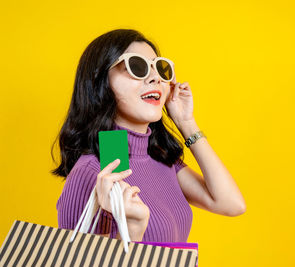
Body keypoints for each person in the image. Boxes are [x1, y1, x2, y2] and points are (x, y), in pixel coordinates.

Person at [51, 28, 246, 242]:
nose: (155, 78)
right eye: (137, 66)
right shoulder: (94, 172)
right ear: (102, 81)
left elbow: (231, 204)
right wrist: (132, 232)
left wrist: (186, 123)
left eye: (160, 69)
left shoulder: (160, 159)